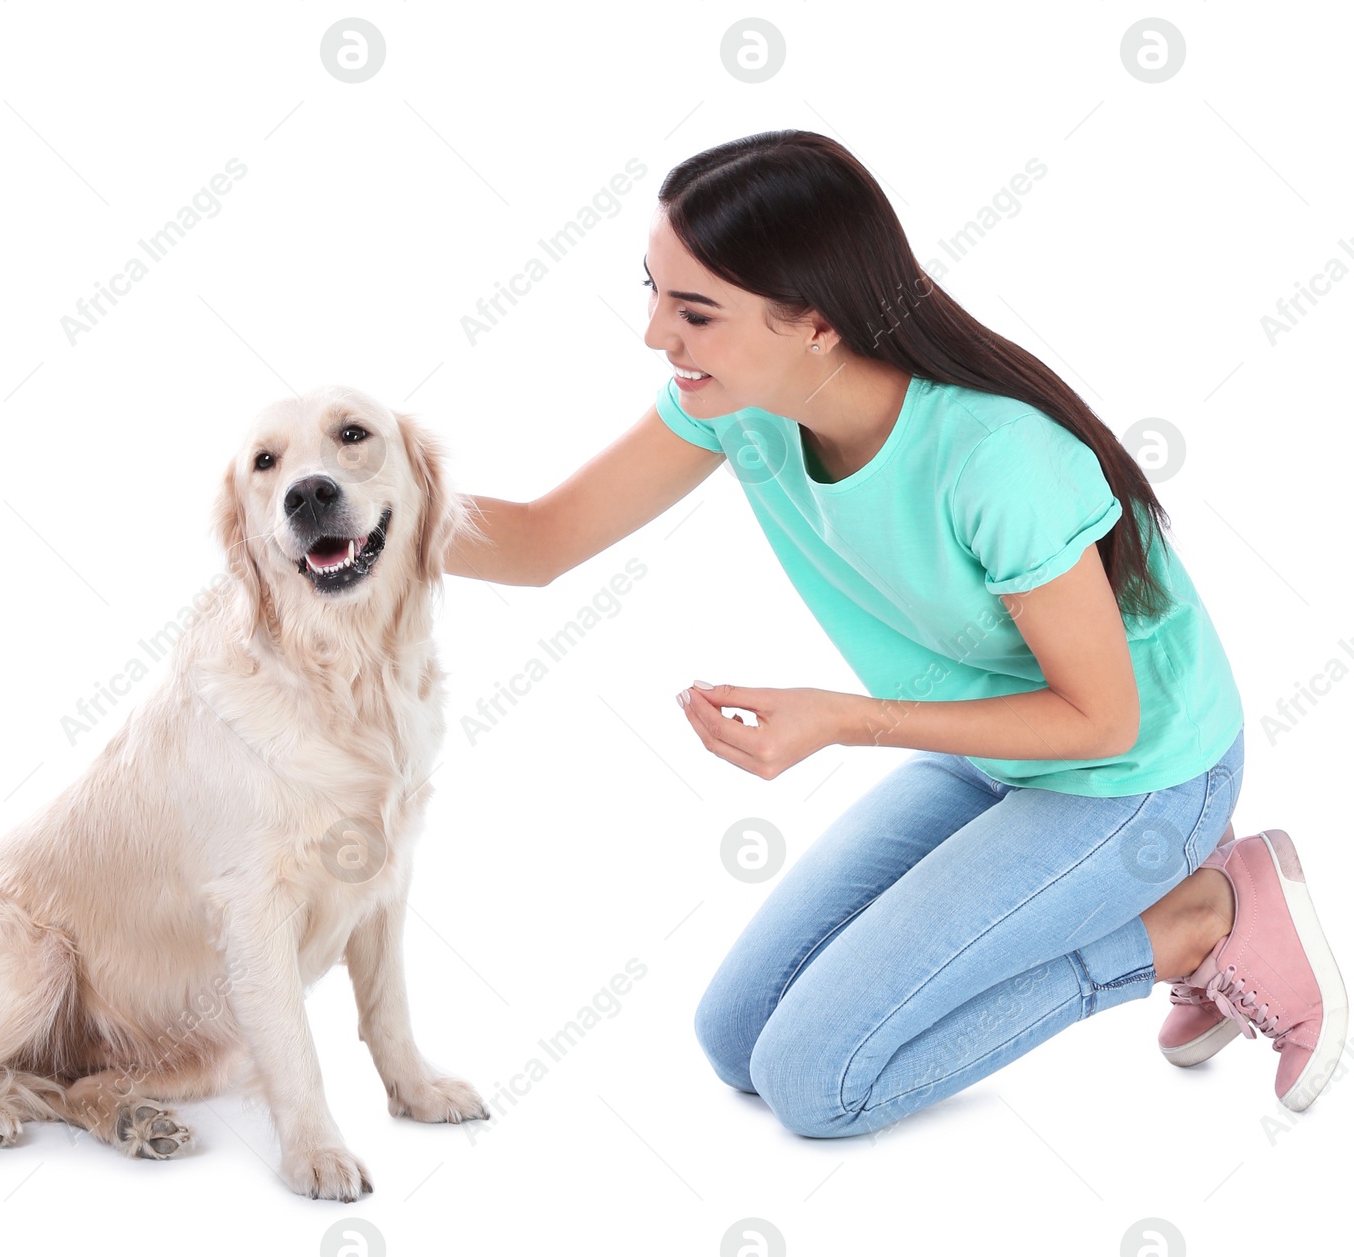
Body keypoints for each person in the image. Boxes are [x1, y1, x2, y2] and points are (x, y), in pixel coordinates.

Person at [442, 129, 1346, 1137]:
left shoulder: (996, 460)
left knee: (818, 1085)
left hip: (1137, 776)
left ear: (815, 325)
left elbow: (1100, 720)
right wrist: (346, 520)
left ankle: (1192, 920)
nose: (657, 335)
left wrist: (838, 719)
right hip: (983, 751)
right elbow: (537, 540)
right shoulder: (734, 402)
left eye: (694, 311)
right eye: (651, 292)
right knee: (735, 1040)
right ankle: (1169, 909)